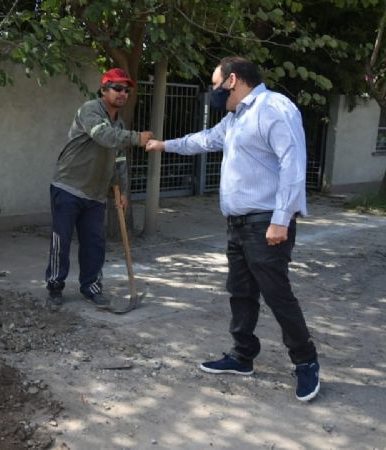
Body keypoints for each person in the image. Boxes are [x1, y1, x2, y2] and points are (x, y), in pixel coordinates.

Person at [145, 56, 320, 402]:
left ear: (232, 80)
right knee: (240, 293)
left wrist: (281, 219)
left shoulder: (274, 108)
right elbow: (204, 140)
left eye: (215, 83)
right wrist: (163, 145)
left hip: (266, 223)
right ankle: (243, 356)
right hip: (238, 226)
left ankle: (306, 361)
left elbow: (293, 163)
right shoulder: (235, 120)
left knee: (276, 294)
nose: (212, 91)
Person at [45, 68, 153, 311]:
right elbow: (102, 136)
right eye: (116, 88)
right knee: (61, 241)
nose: (122, 93)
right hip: (68, 186)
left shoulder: (120, 124)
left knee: (94, 242)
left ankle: (91, 287)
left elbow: (119, 160)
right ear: (103, 90)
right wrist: (137, 138)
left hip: (96, 193)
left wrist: (123, 191)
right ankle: (54, 287)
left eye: (126, 89)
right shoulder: (90, 110)